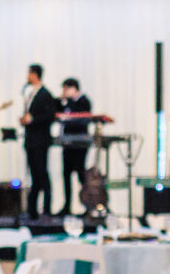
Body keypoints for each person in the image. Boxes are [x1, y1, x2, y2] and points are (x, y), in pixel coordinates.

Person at [56, 78, 111, 214]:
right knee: (66, 174)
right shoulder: (67, 103)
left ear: (73, 88)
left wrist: (69, 105)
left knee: (81, 174)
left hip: (80, 144)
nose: (64, 92)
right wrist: (61, 101)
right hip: (67, 143)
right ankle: (67, 205)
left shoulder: (84, 101)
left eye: (66, 89)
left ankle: (89, 203)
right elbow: (56, 111)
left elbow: (80, 117)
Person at [18, 64, 59, 217]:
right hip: (30, 139)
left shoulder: (45, 94)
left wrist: (33, 119)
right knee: (34, 174)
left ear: (35, 75)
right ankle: (32, 209)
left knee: (42, 173)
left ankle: (46, 207)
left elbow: (50, 116)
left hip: (40, 140)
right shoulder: (30, 93)